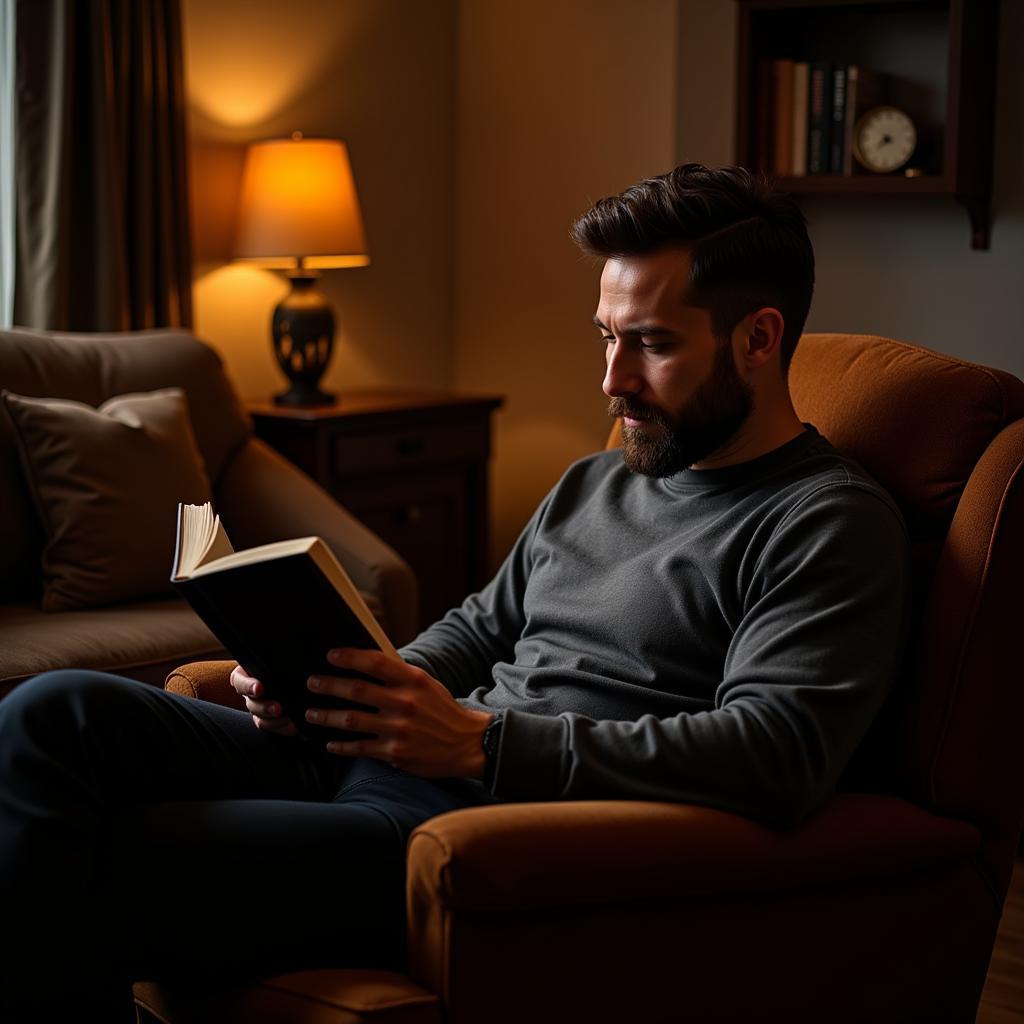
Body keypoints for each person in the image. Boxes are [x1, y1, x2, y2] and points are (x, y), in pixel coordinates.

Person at [0, 164, 908, 1021]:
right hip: (398, 758)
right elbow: (478, 629)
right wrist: (346, 685)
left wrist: (482, 743)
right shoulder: (601, 481)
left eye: (652, 346)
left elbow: (777, 754)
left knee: (109, 854)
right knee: (53, 711)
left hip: (479, 827)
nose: (612, 380)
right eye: (606, 337)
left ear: (758, 337)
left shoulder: (825, 521)